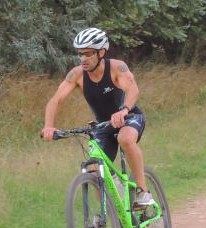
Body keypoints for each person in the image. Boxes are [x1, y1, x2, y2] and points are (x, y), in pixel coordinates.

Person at [41, 27, 154, 206]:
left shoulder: (117, 67)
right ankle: (116, 213)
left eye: (88, 54)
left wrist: (124, 110)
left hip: (129, 117)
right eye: (80, 54)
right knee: (94, 170)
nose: (83, 59)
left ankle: (143, 191)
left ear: (101, 52)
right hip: (104, 125)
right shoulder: (77, 74)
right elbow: (55, 100)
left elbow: (133, 89)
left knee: (125, 139)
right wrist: (49, 125)